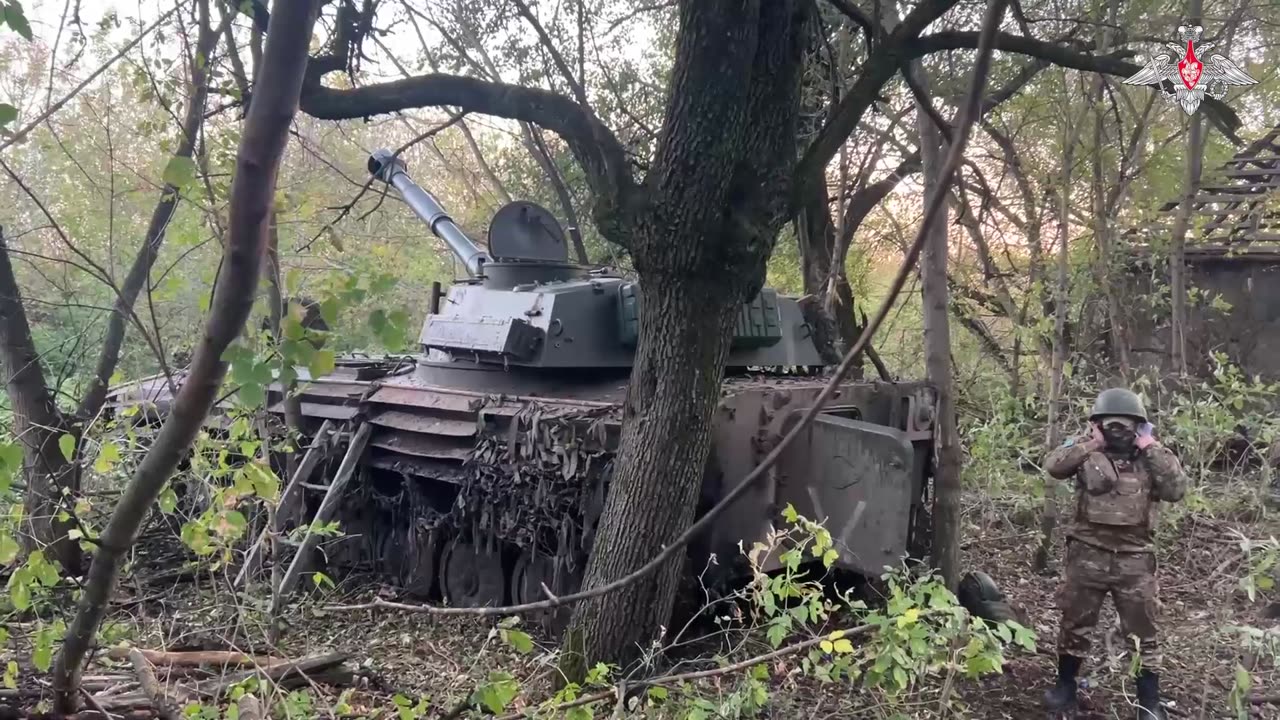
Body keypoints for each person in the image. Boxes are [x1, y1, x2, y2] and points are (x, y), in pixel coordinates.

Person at [1042, 388, 1187, 720]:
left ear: (1139, 426)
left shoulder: (1153, 456)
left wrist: (1149, 446)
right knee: (1074, 624)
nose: (1117, 431)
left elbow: (1177, 489)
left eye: (1125, 425)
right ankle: (1066, 686)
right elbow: (1053, 465)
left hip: (1134, 560)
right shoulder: (1083, 450)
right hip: (1087, 555)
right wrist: (1092, 443)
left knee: (1143, 633)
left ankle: (1147, 703)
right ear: (1097, 424)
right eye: (1110, 425)